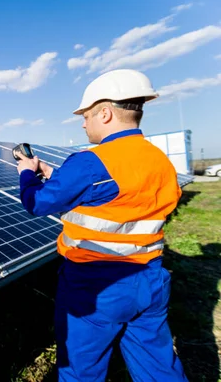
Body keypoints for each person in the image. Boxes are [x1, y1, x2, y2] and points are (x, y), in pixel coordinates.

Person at [15, 69, 187, 381]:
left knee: (81, 372)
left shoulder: (92, 161)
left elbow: (36, 202)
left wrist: (27, 171)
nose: (83, 123)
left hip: (95, 286)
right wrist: (59, 177)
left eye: (86, 116)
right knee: (158, 367)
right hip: (150, 278)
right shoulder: (158, 160)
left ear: (105, 113)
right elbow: (120, 195)